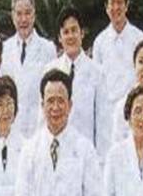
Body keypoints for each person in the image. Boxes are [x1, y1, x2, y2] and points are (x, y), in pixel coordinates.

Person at [46, 9, 109, 152]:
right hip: (56, 151)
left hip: (85, 154)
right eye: (66, 32)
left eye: (74, 30)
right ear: (60, 38)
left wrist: (100, 160)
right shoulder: (49, 70)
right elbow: (43, 119)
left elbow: (103, 124)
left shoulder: (97, 73)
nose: (70, 36)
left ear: (82, 33)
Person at [0, 0, 57, 138]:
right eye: (19, 14)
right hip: (12, 128)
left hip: (39, 128)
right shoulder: (4, 49)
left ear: (34, 15)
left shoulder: (48, 49)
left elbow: (51, 91)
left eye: (27, 13)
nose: (23, 19)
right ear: (12, 16)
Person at [92, 0, 143, 111]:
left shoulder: (140, 38)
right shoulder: (99, 42)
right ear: (106, 7)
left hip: (134, 110)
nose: (116, 7)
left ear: (127, 5)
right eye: (112, 3)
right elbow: (97, 83)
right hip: (107, 111)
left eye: (119, 2)